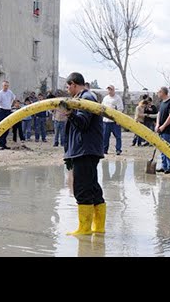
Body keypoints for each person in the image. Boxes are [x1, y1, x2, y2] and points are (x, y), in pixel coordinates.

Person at [63, 72, 106, 235]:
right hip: (85, 149)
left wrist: (70, 113)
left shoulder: (86, 98)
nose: (67, 90)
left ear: (74, 84)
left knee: (82, 188)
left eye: (68, 87)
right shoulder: (85, 97)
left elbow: (83, 124)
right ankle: (99, 227)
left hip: (85, 150)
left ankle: (85, 228)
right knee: (92, 187)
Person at [155, 87, 170, 174]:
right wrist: (157, 125)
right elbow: (159, 114)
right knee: (162, 148)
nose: (158, 94)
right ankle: (164, 166)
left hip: (168, 130)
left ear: (163, 92)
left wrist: (163, 126)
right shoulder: (162, 103)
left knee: (168, 148)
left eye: (159, 92)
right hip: (160, 129)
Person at [102, 85, 124, 155]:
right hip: (106, 121)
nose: (109, 91)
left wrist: (118, 120)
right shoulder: (105, 98)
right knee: (105, 136)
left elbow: (120, 109)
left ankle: (118, 149)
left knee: (118, 136)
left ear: (114, 90)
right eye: (108, 90)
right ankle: (104, 150)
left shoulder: (117, 98)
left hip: (114, 121)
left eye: (111, 89)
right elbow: (102, 107)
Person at [0, 80, 16, 150]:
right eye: (5, 85)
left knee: (7, 128)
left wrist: (12, 105)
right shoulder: (0, 94)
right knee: (1, 127)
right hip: (2, 111)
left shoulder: (10, 92)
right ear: (2, 86)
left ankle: (4, 143)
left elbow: (14, 98)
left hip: (8, 110)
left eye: (7, 85)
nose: (6, 87)